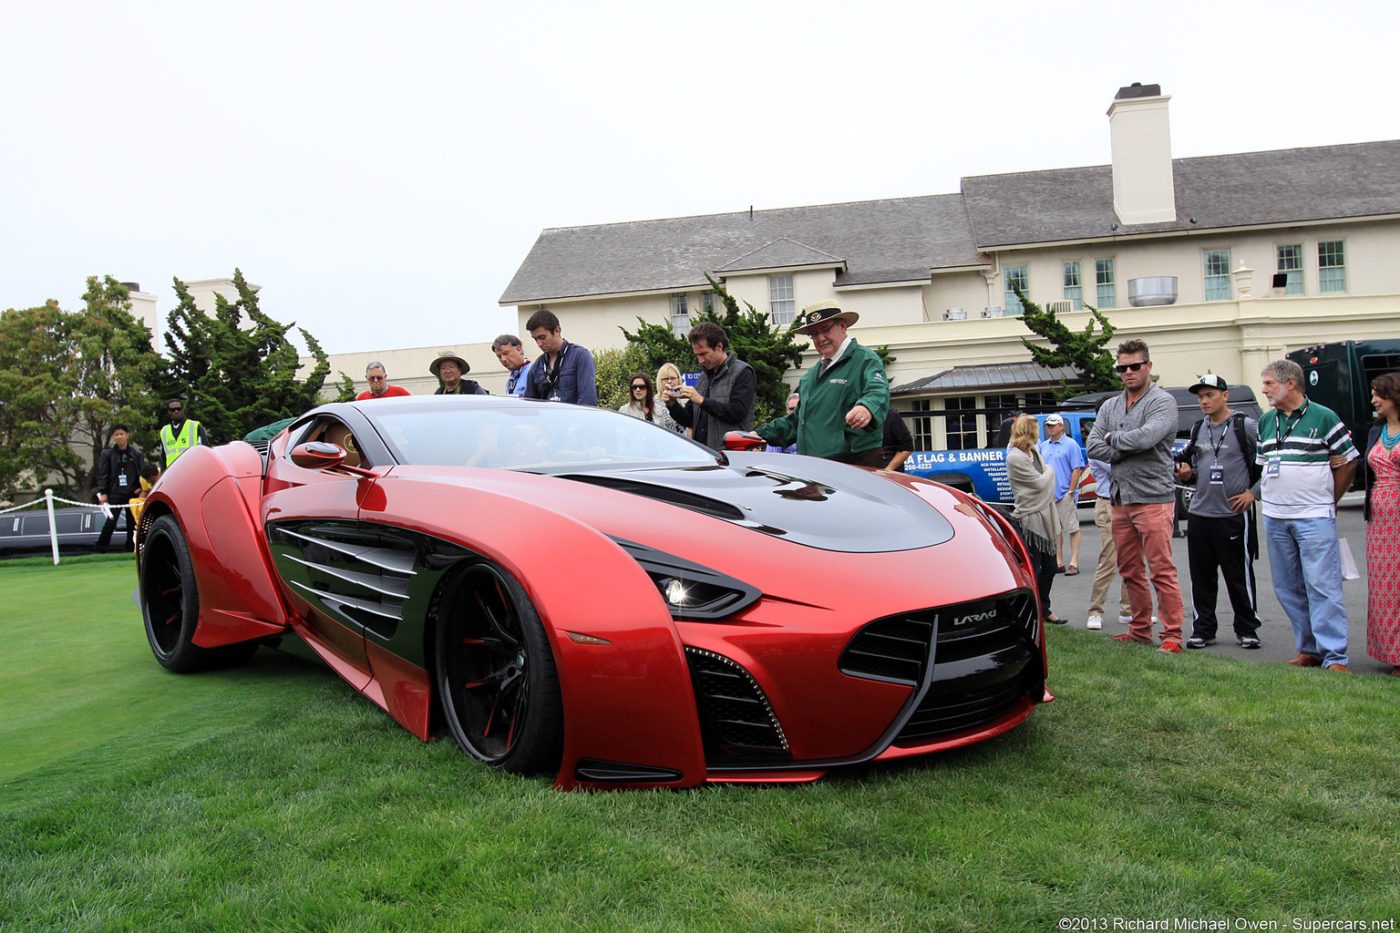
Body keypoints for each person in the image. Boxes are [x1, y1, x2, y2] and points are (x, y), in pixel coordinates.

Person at [1085, 338, 1186, 654]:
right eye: (1122, 368)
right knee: (1129, 569)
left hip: (1154, 498)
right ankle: (1140, 629)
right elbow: (1092, 446)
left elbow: (1148, 438)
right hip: (1119, 498)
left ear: (1148, 366)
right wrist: (1125, 445)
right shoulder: (1110, 406)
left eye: (1134, 366)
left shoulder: (1162, 402)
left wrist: (1114, 440)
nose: (1128, 372)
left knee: (1161, 570)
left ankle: (1172, 635)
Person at [1257, 358, 1358, 671]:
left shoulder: (1323, 416)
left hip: (1313, 515)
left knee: (1322, 585)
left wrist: (1330, 499)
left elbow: (1349, 460)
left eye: (1269, 383)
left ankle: (1335, 655)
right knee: (1288, 587)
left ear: (1290, 384)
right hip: (1275, 516)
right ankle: (1309, 649)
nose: (1264, 390)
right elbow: (1264, 466)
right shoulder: (1266, 421)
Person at [1172, 374, 1264, 650]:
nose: (1204, 401)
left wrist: (1253, 493)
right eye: (1200, 397)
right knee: (1201, 577)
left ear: (1225, 395)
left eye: (1209, 395)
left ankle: (1247, 628)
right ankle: (1203, 629)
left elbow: (1269, 462)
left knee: (1238, 576)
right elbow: (1189, 466)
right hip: (1201, 514)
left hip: (1232, 514)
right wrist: (1186, 476)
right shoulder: (1198, 428)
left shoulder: (1243, 426)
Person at [754, 302, 889, 466]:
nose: (820, 338)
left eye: (826, 329)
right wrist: (758, 435)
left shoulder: (865, 360)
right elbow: (796, 422)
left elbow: (877, 391)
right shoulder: (810, 377)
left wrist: (866, 407)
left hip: (854, 464)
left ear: (843, 326)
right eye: (814, 333)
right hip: (816, 468)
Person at [1006, 415, 1064, 625]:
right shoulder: (1015, 457)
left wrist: (1046, 477)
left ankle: (1044, 607)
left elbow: (1041, 483)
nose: (1042, 430)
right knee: (1034, 569)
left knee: (1050, 567)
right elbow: (1039, 484)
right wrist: (1050, 471)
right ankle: (1032, 611)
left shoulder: (1035, 452)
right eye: (1037, 427)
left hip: (1046, 515)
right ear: (1030, 431)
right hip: (1029, 517)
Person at [665, 321, 756, 451]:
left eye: (703, 354)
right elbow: (689, 420)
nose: (700, 360)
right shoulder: (702, 378)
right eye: (697, 355)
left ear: (719, 346)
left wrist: (702, 401)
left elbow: (737, 413)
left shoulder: (742, 372)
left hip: (731, 456)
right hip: (703, 455)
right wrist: (672, 405)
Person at [1363, 372, 1400, 676]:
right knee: (1385, 586)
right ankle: (1391, 651)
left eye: (1379, 395)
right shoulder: (1376, 432)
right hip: (1379, 519)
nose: (1374, 400)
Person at [1084, 456, 1132, 631]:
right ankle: (1095, 612)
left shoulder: (1121, 440)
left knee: (1131, 559)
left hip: (1128, 502)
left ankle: (1128, 610)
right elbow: (1119, 468)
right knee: (1109, 559)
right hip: (1108, 503)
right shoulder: (1099, 444)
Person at [1039, 413, 1086, 574]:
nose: (1050, 428)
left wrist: (1071, 492)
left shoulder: (1071, 444)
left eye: (1053, 425)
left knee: (1072, 528)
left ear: (1061, 426)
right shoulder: (1044, 446)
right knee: (1055, 531)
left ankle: (1074, 562)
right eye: (1048, 425)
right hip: (1049, 495)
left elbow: (1077, 469)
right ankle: (1059, 562)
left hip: (1065, 493)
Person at [524, 310, 598, 405]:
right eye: (535, 339)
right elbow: (529, 406)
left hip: (574, 418)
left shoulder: (580, 356)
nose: (539, 344)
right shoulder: (537, 366)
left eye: (542, 337)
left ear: (557, 331)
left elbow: (588, 400)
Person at [95, 424, 147, 551]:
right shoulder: (108, 454)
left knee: (132, 522)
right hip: (115, 492)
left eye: (121, 434)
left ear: (127, 435)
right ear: (113, 437)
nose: (119, 437)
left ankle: (131, 546)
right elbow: (104, 474)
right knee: (111, 521)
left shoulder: (136, 453)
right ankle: (101, 546)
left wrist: (141, 488)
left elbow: (142, 472)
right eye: (116, 435)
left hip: (132, 492)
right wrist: (103, 492)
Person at [158, 398, 209, 470]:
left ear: (183, 410)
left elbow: (205, 450)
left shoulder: (195, 426)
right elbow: (163, 457)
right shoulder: (164, 431)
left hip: (191, 469)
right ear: (169, 412)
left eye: (179, 409)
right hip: (172, 472)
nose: (176, 411)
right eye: (173, 410)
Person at [653, 363, 685, 433]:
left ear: (678, 379)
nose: (669, 381)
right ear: (659, 381)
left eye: (673, 378)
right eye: (666, 379)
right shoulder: (652, 403)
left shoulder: (686, 399)